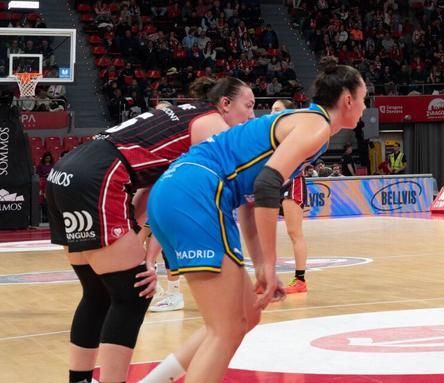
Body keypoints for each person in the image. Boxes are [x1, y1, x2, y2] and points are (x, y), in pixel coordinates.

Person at [142, 61, 365, 383]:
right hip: (197, 191)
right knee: (228, 327)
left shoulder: (299, 122)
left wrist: (262, 264)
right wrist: (272, 265)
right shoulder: (316, 127)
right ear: (348, 100)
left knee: (244, 315)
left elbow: (250, 200)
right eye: (363, 98)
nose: (363, 106)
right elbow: (266, 186)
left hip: (177, 190)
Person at [46, 77, 255, 383]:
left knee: (97, 292)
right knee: (133, 294)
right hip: (100, 176)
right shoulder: (213, 126)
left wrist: (143, 247)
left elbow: (151, 192)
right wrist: (149, 254)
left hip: (68, 171)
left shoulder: (186, 114)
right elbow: (174, 196)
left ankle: (78, 380)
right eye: (248, 106)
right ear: (225, 104)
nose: (252, 116)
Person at [271, 99, 311, 295]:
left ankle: (300, 280)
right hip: (272, 185)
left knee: (295, 233)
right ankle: (268, 278)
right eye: (271, 109)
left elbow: (305, 159)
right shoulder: (271, 133)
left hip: (291, 183)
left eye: (277, 110)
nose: (272, 112)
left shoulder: (296, 133)